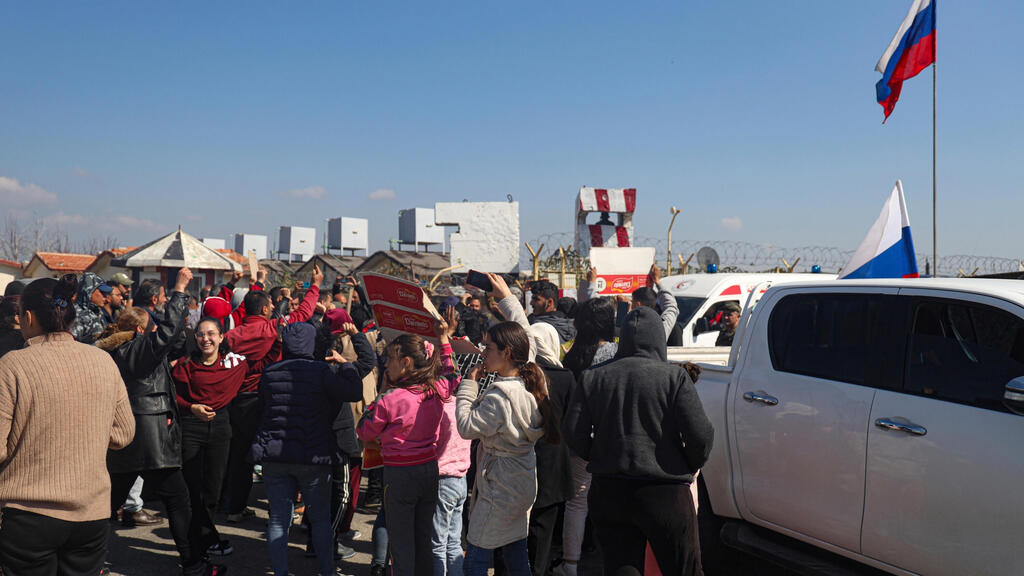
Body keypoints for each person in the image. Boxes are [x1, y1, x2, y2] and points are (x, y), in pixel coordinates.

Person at [0, 274, 136, 576]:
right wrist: (87, 430)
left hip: (29, 514)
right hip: (92, 513)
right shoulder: (102, 361)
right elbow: (124, 433)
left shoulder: (13, 365)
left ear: (29, 317)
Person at [562, 307, 714, 576]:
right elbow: (700, 435)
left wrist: (602, 455)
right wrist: (686, 463)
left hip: (609, 487)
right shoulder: (674, 377)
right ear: (659, 338)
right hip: (665, 490)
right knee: (683, 568)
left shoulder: (593, 377)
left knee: (621, 567)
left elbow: (573, 433)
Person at [97, 268, 226, 576]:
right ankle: (193, 563)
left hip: (125, 436)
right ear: (141, 331)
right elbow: (167, 333)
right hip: (150, 438)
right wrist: (180, 290)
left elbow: (173, 338)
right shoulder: (135, 349)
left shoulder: (114, 350)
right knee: (179, 501)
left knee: (105, 505)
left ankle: (89, 561)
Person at [248, 322, 366, 576]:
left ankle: (281, 572)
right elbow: (354, 392)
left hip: (275, 455)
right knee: (321, 519)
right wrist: (346, 365)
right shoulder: (322, 372)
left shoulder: (270, 372)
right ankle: (326, 571)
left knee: (279, 519)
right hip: (314, 455)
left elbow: (264, 404)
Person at [356, 320, 460, 576]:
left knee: (401, 545)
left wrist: (380, 394)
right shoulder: (436, 389)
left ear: (406, 363)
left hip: (400, 475)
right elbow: (453, 374)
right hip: (428, 470)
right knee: (423, 538)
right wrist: (444, 340)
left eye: (391, 358)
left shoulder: (389, 400)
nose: (386, 364)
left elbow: (364, 430)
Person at [456, 320, 559, 576]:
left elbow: (466, 427)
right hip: (522, 476)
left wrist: (468, 385)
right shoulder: (532, 384)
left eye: (488, 348)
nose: (483, 353)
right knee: (515, 549)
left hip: (499, 484)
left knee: (477, 553)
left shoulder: (500, 397)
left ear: (507, 353)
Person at [222, 266, 322, 524]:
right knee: (274, 455)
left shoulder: (230, 337)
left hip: (236, 400)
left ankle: (233, 507)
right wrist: (314, 286)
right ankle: (280, 512)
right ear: (266, 309)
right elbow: (303, 313)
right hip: (268, 398)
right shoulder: (273, 329)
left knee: (239, 455)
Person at [173, 317, 280, 557]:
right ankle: (193, 546)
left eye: (211, 334)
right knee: (192, 489)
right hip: (191, 426)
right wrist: (191, 408)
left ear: (222, 337)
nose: (205, 339)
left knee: (212, 490)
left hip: (221, 427)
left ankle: (205, 538)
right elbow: (173, 397)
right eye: (201, 334)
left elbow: (264, 363)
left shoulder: (235, 363)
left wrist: (278, 341)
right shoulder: (184, 365)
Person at [559, 296, 618, 576]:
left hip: (580, 439)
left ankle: (570, 564)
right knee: (611, 500)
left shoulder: (572, 354)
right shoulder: (616, 353)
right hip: (611, 438)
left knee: (577, 502)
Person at [525, 323, 574, 576]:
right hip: (554, 463)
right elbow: (574, 421)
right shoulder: (565, 377)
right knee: (543, 535)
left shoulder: (520, 374)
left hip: (521, 459)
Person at [431, 309, 473, 576]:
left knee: (436, 543)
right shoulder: (462, 407)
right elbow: (451, 370)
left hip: (442, 479)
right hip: (461, 482)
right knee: (454, 542)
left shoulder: (438, 408)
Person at [72, 272, 114, 344]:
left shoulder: (97, 311)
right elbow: (72, 344)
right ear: (89, 291)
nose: (107, 299)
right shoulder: (77, 315)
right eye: (103, 293)